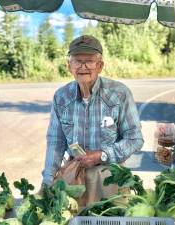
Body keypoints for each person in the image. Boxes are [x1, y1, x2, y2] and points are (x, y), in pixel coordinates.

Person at [41, 35, 143, 205]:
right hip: (73, 178)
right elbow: (55, 142)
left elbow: (135, 139)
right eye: (77, 61)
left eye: (89, 61)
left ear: (100, 66)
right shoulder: (61, 97)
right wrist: (48, 180)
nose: (83, 67)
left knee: (111, 218)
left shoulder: (119, 94)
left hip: (111, 178)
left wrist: (101, 155)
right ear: (69, 66)